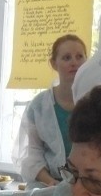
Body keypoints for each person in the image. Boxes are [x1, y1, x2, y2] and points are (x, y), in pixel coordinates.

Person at [15, 34, 88, 187]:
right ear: (54, 63)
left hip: (89, 186)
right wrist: (49, 181)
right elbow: (32, 153)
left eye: (79, 57)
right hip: (49, 186)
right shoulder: (39, 106)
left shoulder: (95, 102)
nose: (74, 62)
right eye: (66, 58)